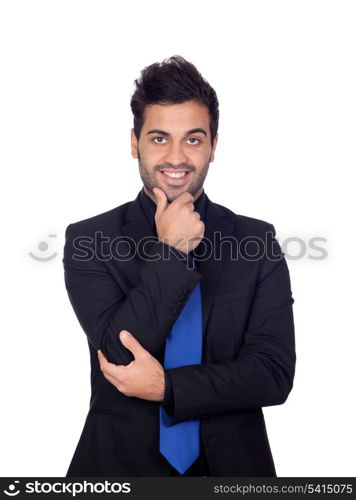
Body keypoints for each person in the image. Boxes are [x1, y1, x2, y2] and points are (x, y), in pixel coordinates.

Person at [62, 55, 296, 477]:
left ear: (213, 145)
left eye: (192, 139)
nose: (176, 157)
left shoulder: (256, 241)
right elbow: (117, 355)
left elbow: (272, 375)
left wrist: (169, 388)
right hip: (118, 468)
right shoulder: (88, 239)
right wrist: (170, 251)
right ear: (134, 142)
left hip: (234, 470)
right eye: (158, 138)